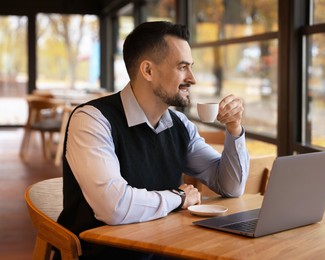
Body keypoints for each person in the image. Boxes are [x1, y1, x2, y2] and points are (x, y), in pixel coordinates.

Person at [57, 21, 249, 259]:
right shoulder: (92, 120)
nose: (193, 78)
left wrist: (234, 128)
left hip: (166, 249)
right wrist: (178, 198)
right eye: (182, 67)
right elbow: (113, 207)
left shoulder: (180, 125)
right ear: (147, 71)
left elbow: (229, 186)